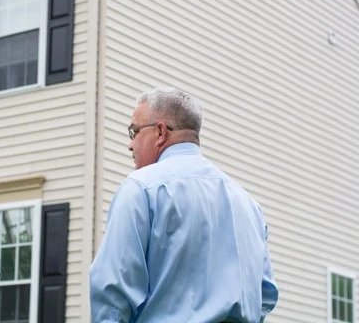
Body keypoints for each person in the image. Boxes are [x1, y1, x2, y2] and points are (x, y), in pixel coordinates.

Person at [89, 87, 278, 322]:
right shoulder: (248, 205)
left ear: (160, 132)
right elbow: (266, 294)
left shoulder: (141, 188)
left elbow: (113, 291)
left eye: (134, 132)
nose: (130, 145)